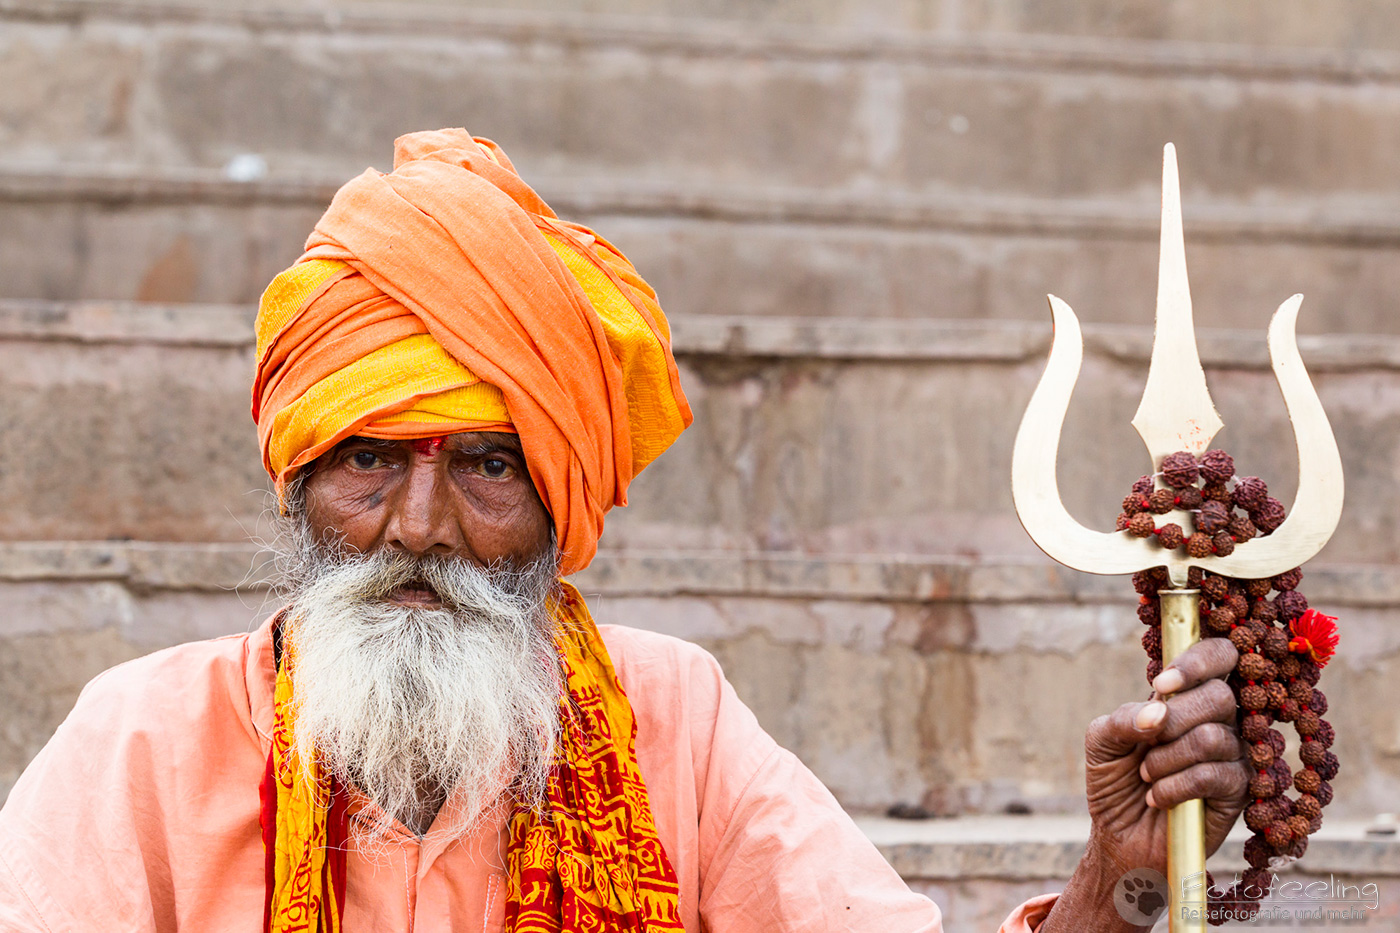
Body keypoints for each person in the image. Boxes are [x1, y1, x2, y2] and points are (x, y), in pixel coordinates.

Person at [0, 129, 1248, 932]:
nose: (420, 527)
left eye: (489, 465)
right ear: (298, 486)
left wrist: (1118, 881)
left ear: (557, 500)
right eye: (370, 463)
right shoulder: (145, 741)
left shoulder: (672, 720)